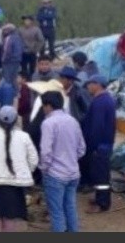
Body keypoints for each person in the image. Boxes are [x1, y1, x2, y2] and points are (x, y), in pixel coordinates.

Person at [39, 91, 86, 232]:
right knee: (70, 207)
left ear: (48, 106)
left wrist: (45, 168)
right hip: (73, 173)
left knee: (56, 211)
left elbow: (45, 152)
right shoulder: (73, 121)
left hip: (55, 174)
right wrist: (71, 159)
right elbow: (82, 148)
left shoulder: (48, 123)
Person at [81, 75, 116, 214]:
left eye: (90, 84)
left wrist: (92, 146)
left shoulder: (100, 102)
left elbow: (97, 127)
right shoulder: (106, 99)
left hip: (99, 146)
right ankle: (99, 198)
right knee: (99, 174)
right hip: (104, 144)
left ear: (97, 84)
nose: (88, 87)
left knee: (101, 176)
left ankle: (102, 203)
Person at [19, 15, 45, 79]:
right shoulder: (20, 29)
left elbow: (41, 40)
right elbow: (17, 40)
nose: (26, 22)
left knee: (32, 69)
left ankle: (32, 80)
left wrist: (36, 49)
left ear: (31, 21)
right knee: (23, 69)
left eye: (28, 20)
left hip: (32, 52)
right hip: (23, 52)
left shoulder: (36, 30)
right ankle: (24, 82)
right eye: (25, 20)